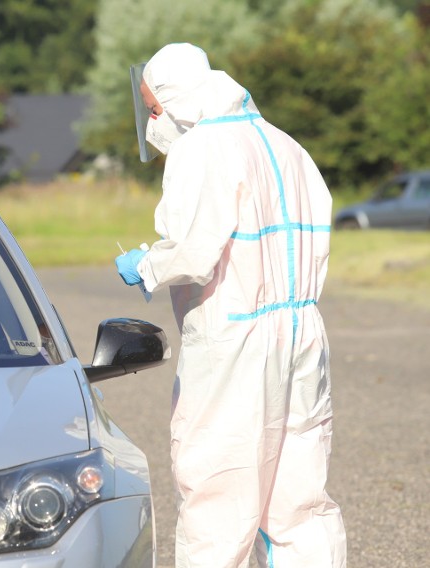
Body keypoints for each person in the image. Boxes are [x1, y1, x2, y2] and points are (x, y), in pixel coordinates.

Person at [115, 43, 346, 567]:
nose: (153, 123)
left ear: (179, 100)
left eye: (154, 110)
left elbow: (193, 253)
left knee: (219, 492)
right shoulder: (286, 145)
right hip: (301, 331)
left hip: (233, 338)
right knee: (299, 498)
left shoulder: (202, 148)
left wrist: (147, 265)